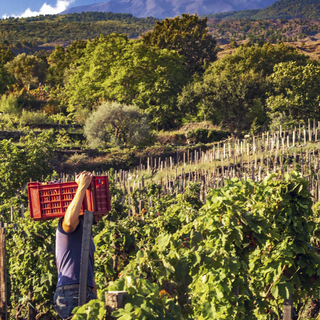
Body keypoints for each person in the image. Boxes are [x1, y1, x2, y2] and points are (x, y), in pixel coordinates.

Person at [53, 171, 100, 319]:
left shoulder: (86, 235)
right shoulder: (70, 225)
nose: (101, 214)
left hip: (83, 291)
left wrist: (95, 298)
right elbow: (68, 222)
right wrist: (81, 187)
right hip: (71, 291)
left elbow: (88, 271)